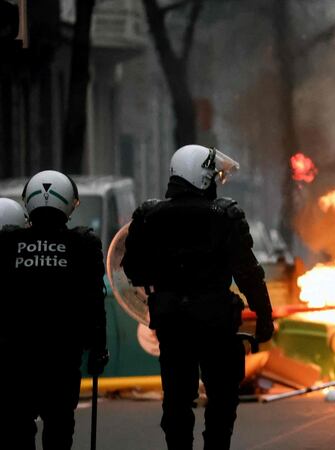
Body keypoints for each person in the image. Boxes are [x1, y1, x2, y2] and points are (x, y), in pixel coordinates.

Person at [122, 145, 274, 450]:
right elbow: (248, 274)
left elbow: (133, 271)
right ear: (202, 177)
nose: (216, 180)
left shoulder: (148, 215)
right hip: (215, 323)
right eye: (213, 175)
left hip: (171, 323)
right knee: (221, 400)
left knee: (177, 400)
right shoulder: (225, 215)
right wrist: (264, 316)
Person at [0, 170, 107, 449]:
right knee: (59, 429)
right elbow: (94, 302)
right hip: (62, 357)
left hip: (15, 357)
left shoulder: (7, 244)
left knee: (17, 428)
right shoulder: (83, 245)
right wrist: (98, 348)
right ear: (69, 203)